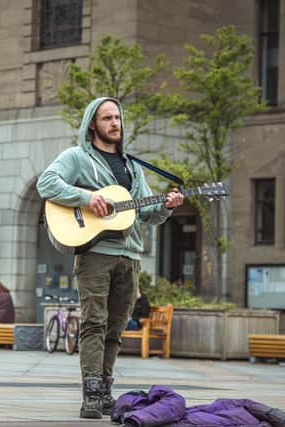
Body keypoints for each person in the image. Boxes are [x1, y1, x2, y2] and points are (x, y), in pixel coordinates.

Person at [36, 97, 184, 419]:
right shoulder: (77, 157)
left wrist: (167, 207)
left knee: (115, 327)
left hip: (129, 255)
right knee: (94, 322)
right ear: (93, 123)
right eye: (107, 118)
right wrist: (88, 198)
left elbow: (145, 212)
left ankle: (104, 390)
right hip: (95, 254)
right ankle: (90, 394)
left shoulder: (132, 166)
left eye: (117, 117)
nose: (115, 123)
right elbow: (46, 183)